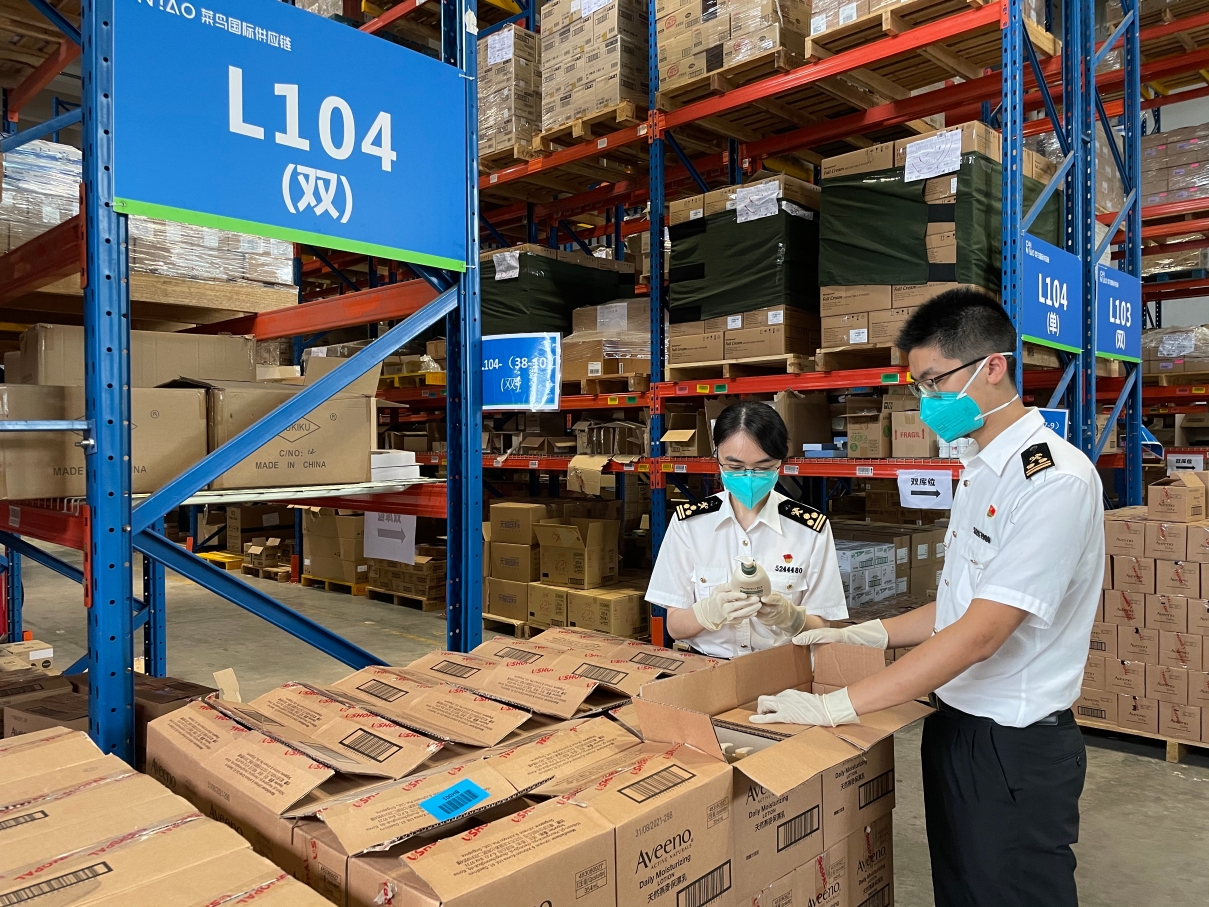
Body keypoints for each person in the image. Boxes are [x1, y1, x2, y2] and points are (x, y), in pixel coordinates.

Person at [751, 288, 1103, 907]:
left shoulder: (1053, 481)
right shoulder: (979, 468)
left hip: (1013, 744)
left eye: (936, 381)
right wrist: (864, 633)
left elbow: (982, 633)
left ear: (993, 367)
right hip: (956, 723)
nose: (928, 400)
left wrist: (837, 706)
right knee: (961, 890)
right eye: (920, 386)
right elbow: (961, 604)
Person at [645, 400, 848, 658]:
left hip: (782, 665)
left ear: (780, 463)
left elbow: (823, 628)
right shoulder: (689, 524)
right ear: (717, 458)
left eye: (763, 468)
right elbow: (674, 627)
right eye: (736, 467)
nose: (749, 477)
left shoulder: (810, 529)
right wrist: (707, 612)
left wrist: (791, 618)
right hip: (708, 665)